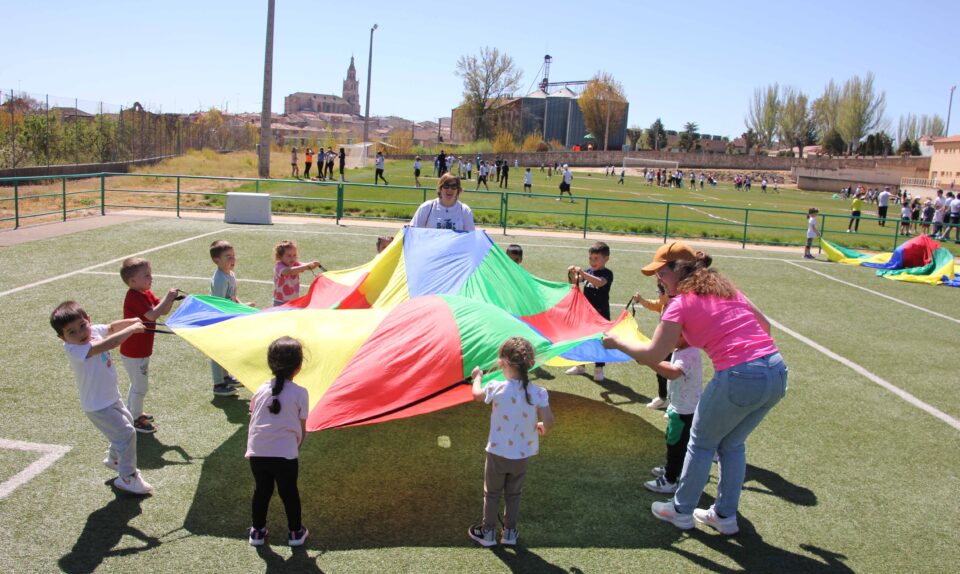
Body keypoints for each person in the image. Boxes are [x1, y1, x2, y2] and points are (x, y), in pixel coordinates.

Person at [602, 242, 786, 536]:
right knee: (732, 445)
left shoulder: (681, 304)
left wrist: (616, 342)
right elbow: (764, 327)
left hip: (739, 376)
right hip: (776, 370)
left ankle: (681, 510)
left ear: (677, 270)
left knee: (700, 444)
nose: (658, 280)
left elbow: (652, 354)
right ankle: (724, 516)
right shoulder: (727, 290)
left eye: (661, 273)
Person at [50, 301, 153, 494]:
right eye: (71, 332)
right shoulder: (74, 349)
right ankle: (127, 477)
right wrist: (132, 329)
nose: (81, 333)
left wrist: (133, 320)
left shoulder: (93, 331)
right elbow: (111, 342)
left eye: (82, 325)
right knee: (126, 433)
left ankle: (114, 459)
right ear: (61, 338)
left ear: (88, 319)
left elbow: (112, 328)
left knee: (127, 425)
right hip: (97, 406)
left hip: (111, 397)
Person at [467, 337, 554, 547]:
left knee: (492, 493)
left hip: (497, 453)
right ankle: (510, 533)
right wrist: (543, 425)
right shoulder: (538, 392)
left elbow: (476, 395)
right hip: (522, 455)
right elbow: (550, 422)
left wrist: (477, 377)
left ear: (504, 363)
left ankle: (487, 533)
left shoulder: (496, 387)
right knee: (514, 494)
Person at [246, 337, 310, 547]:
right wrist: (294, 447)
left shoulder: (261, 390)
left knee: (261, 491)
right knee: (289, 492)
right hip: (285, 454)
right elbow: (301, 430)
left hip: (257, 452)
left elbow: (254, 418)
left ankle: (257, 531)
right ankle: (295, 532)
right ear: (299, 366)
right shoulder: (300, 393)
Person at [118, 258, 179, 433]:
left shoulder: (145, 293)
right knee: (140, 386)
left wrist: (171, 300)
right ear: (132, 281)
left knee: (136, 384)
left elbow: (161, 309)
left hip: (140, 350)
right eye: (146, 275)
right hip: (134, 351)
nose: (151, 278)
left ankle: (133, 412)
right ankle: (136, 418)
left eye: (150, 274)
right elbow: (152, 316)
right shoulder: (133, 296)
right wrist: (168, 297)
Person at [644, 335, 702, 494]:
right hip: (679, 406)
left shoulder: (689, 353)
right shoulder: (682, 349)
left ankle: (670, 480)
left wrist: (650, 361)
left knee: (676, 444)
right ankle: (672, 469)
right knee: (672, 439)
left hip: (684, 410)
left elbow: (674, 372)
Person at [565, 242, 613, 382]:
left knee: (599, 341)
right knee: (582, 339)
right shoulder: (588, 272)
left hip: (600, 314)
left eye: (596, 258)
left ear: (606, 259)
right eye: (590, 258)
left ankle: (599, 368)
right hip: (585, 313)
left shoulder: (607, 274)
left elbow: (599, 282)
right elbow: (574, 282)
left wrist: (583, 273)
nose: (592, 262)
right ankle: (580, 365)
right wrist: (572, 273)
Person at [209, 240, 249, 396]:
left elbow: (232, 297)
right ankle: (218, 383)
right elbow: (219, 304)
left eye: (233, 256)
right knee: (217, 351)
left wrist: (241, 306)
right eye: (228, 257)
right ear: (216, 261)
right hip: (219, 320)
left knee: (225, 350)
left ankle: (225, 377)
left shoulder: (230, 275)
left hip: (228, 319)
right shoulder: (220, 278)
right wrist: (234, 311)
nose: (232, 259)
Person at [632, 280, 671, 409]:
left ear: (668, 293)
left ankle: (673, 403)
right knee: (660, 372)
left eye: (659, 292)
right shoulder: (663, 305)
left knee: (671, 375)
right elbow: (652, 304)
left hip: (673, 348)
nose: (658, 295)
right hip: (663, 346)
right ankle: (662, 397)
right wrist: (641, 299)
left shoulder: (675, 308)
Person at [410, 173, 476, 231]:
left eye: (454, 186)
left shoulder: (465, 210)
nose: (450, 189)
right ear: (440, 188)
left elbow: (470, 237)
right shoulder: (426, 207)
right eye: (446, 186)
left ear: (458, 190)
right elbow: (413, 233)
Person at [273, 240, 321, 307]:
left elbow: (306, 266)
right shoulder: (279, 266)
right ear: (280, 257)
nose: (292, 258)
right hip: (280, 302)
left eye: (294, 255)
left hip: (294, 301)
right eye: (289, 255)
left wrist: (312, 264)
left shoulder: (296, 264)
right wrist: (305, 266)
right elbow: (289, 271)